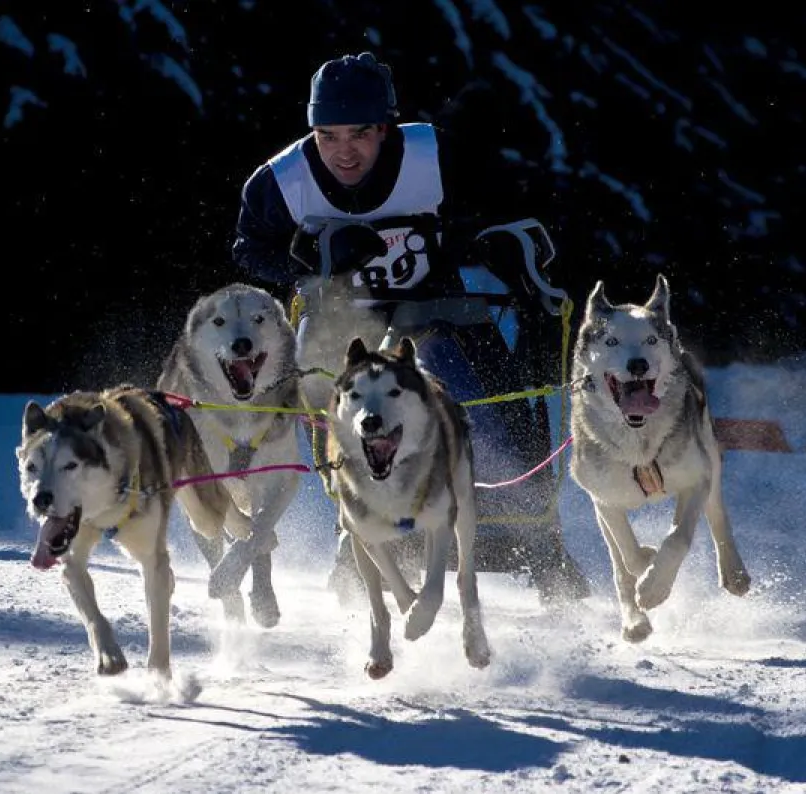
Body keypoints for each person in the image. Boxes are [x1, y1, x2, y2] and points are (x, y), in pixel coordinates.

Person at [231, 51, 590, 605]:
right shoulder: (282, 181)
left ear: (387, 128)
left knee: (488, 409)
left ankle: (537, 541)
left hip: (437, 310)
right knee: (344, 415)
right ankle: (356, 540)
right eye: (327, 136)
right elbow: (249, 248)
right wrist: (311, 259)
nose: (343, 152)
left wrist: (493, 240)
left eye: (360, 134)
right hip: (340, 322)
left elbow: (511, 204)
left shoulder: (434, 154)